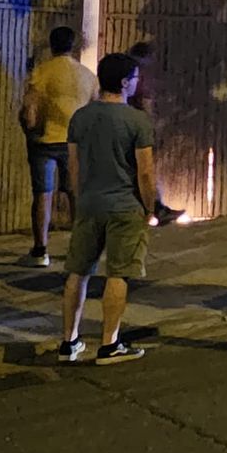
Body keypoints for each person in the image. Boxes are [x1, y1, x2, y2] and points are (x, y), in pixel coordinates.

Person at [59, 53, 156, 365]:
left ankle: (68, 341)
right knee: (118, 273)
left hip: (89, 203)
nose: (138, 84)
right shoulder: (137, 120)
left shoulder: (80, 117)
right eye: (136, 79)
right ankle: (109, 343)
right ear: (125, 83)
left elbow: (73, 166)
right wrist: (149, 207)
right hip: (125, 206)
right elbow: (145, 172)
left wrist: (78, 198)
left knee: (78, 272)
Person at [19, 26, 98, 267]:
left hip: (45, 141)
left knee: (43, 195)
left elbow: (30, 113)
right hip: (75, 142)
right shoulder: (87, 75)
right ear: (72, 45)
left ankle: (40, 250)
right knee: (75, 195)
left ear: (51, 45)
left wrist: (28, 130)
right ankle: (78, 249)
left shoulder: (42, 72)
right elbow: (94, 110)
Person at [125, 41, 186, 226]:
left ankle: (155, 208)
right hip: (137, 129)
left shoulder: (127, 70)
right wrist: (151, 129)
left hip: (126, 128)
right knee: (145, 171)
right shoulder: (140, 75)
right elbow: (146, 103)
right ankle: (156, 209)